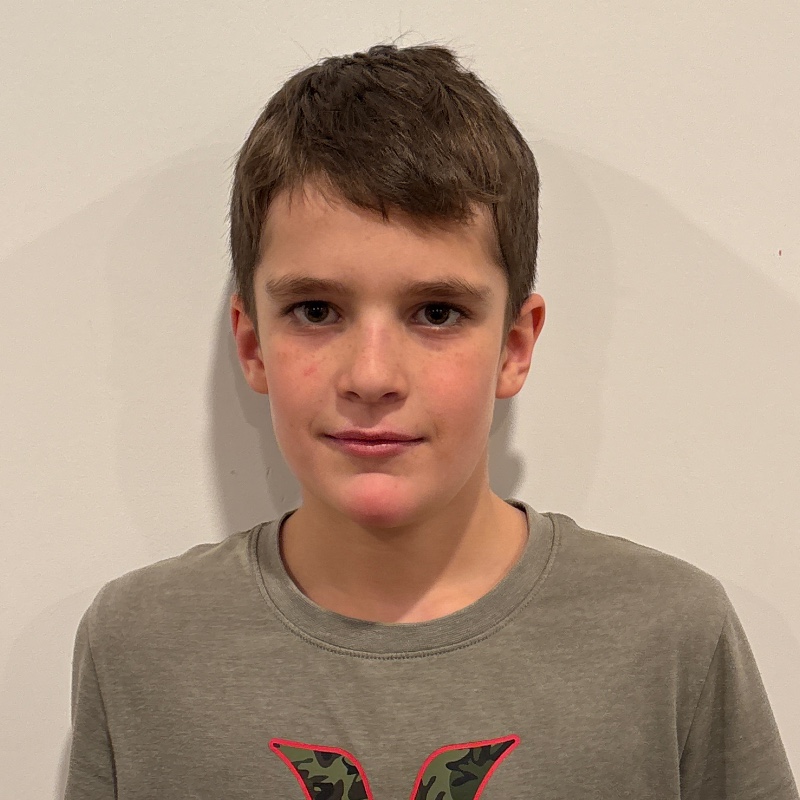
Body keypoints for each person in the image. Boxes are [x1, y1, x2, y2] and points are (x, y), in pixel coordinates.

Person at [64, 43, 798, 799]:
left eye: (437, 313)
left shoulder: (670, 637)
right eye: (315, 310)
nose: (372, 376)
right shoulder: (139, 644)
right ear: (252, 344)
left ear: (514, 347)